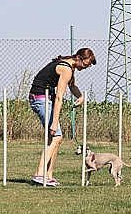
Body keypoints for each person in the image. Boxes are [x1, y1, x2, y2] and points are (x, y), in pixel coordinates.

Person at [28, 48, 96, 186]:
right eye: (85, 64)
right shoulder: (66, 69)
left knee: (57, 139)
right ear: (78, 58)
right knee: (56, 136)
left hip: (45, 98)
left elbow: (72, 86)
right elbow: (59, 97)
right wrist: (54, 122)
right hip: (41, 99)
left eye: (87, 66)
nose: (85, 67)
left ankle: (49, 176)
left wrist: (81, 97)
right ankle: (39, 174)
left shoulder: (68, 66)